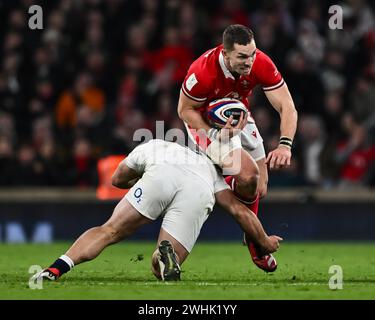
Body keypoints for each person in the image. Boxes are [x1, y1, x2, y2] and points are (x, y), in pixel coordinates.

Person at [32, 139, 282, 282]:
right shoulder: (214, 174)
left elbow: (117, 180)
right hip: (200, 188)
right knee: (160, 269)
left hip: (161, 171)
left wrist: (141, 181)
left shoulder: (154, 145)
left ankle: (57, 268)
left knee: (109, 230)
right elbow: (241, 212)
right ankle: (165, 255)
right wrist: (265, 242)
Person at [178, 24, 298, 272]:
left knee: (259, 187)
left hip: (238, 115)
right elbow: (184, 110)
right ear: (225, 53)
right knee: (247, 175)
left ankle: (219, 186)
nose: (249, 61)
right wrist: (213, 134)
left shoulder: (260, 62)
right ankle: (256, 242)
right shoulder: (202, 72)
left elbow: (287, 105)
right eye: (242, 56)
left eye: (252, 54)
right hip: (204, 124)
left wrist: (285, 145)